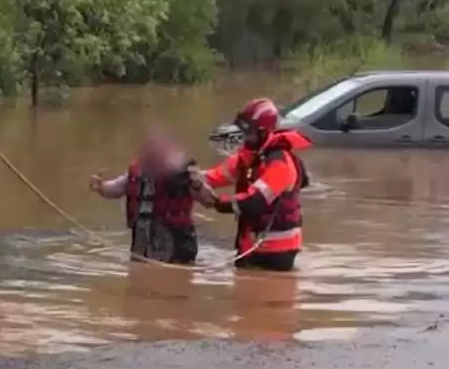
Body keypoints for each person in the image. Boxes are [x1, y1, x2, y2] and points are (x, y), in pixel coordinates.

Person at [193, 97, 313, 272]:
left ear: (263, 133)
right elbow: (215, 176)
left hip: (277, 252)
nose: (245, 138)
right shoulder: (248, 157)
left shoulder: (280, 163)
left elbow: (255, 201)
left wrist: (217, 202)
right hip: (251, 244)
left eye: (249, 134)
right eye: (242, 132)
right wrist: (190, 176)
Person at [88, 128, 201, 264]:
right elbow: (117, 188)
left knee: (172, 274)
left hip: (174, 237)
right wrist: (101, 187)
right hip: (143, 237)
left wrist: (197, 184)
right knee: (140, 271)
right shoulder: (137, 172)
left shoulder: (182, 173)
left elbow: (206, 197)